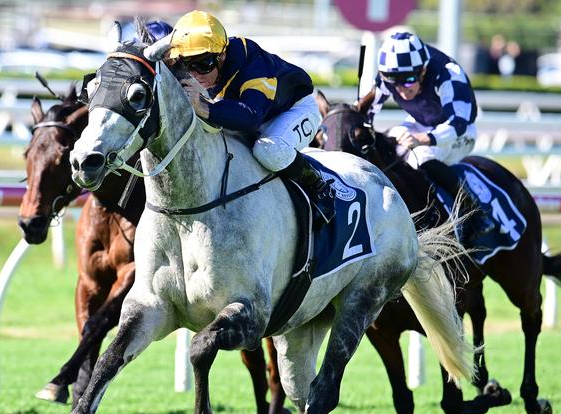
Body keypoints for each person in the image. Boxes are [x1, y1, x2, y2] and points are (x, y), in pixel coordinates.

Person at [166, 10, 334, 222]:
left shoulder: (254, 64)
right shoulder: (201, 66)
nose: (196, 75)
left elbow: (251, 116)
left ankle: (318, 186)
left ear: (222, 55)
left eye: (203, 64)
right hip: (250, 112)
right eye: (187, 65)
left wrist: (205, 108)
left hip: (294, 110)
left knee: (268, 151)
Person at [356, 31, 494, 241]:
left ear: (424, 70)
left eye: (409, 80)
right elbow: (366, 113)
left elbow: (458, 124)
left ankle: (475, 212)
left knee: (423, 157)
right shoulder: (390, 75)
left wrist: (424, 139)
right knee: (387, 146)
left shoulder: (448, 75)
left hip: (458, 133)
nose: (401, 90)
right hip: (419, 123)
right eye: (393, 82)